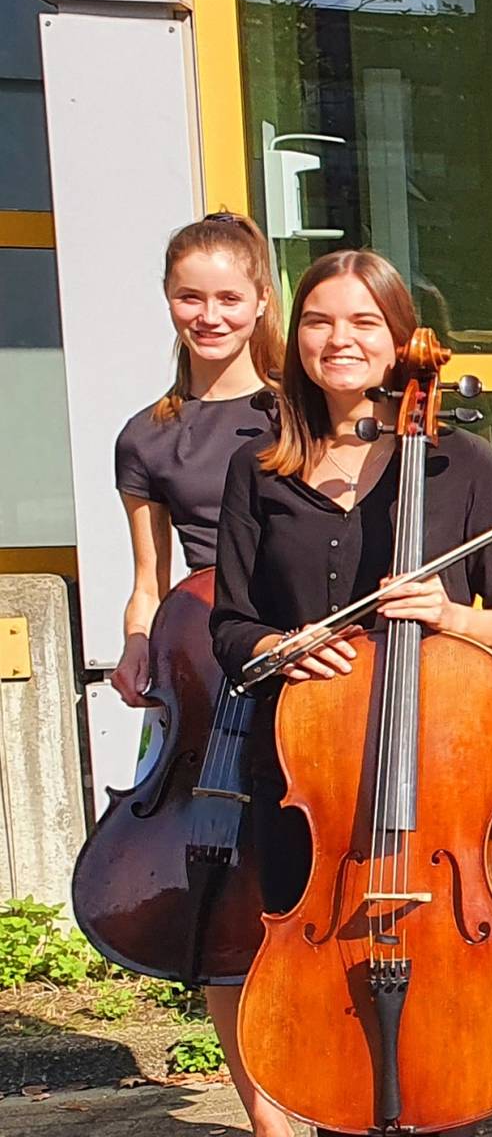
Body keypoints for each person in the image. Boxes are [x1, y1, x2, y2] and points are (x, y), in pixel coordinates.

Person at [208, 250, 492, 1135]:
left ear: (402, 341)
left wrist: (451, 617)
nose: (339, 339)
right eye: (319, 320)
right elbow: (230, 628)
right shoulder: (261, 470)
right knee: (313, 1002)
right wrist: (282, 647)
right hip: (304, 777)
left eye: (364, 322)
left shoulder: (459, 462)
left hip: (430, 785)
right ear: (296, 339)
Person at [105, 213, 285, 1137]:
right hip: (201, 674)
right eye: (190, 298)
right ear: (168, 302)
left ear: (260, 303)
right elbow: (149, 581)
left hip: (299, 657)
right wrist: (139, 650)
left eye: (227, 298)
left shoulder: (297, 415)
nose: (208, 316)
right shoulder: (148, 436)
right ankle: (268, 1122)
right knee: (225, 910)